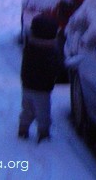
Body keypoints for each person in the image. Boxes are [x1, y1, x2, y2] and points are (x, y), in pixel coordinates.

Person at [18, 12, 62, 143]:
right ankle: (43, 133)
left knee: (27, 109)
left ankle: (23, 128)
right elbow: (53, 69)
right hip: (42, 89)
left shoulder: (30, 47)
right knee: (43, 113)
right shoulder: (49, 51)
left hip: (27, 85)